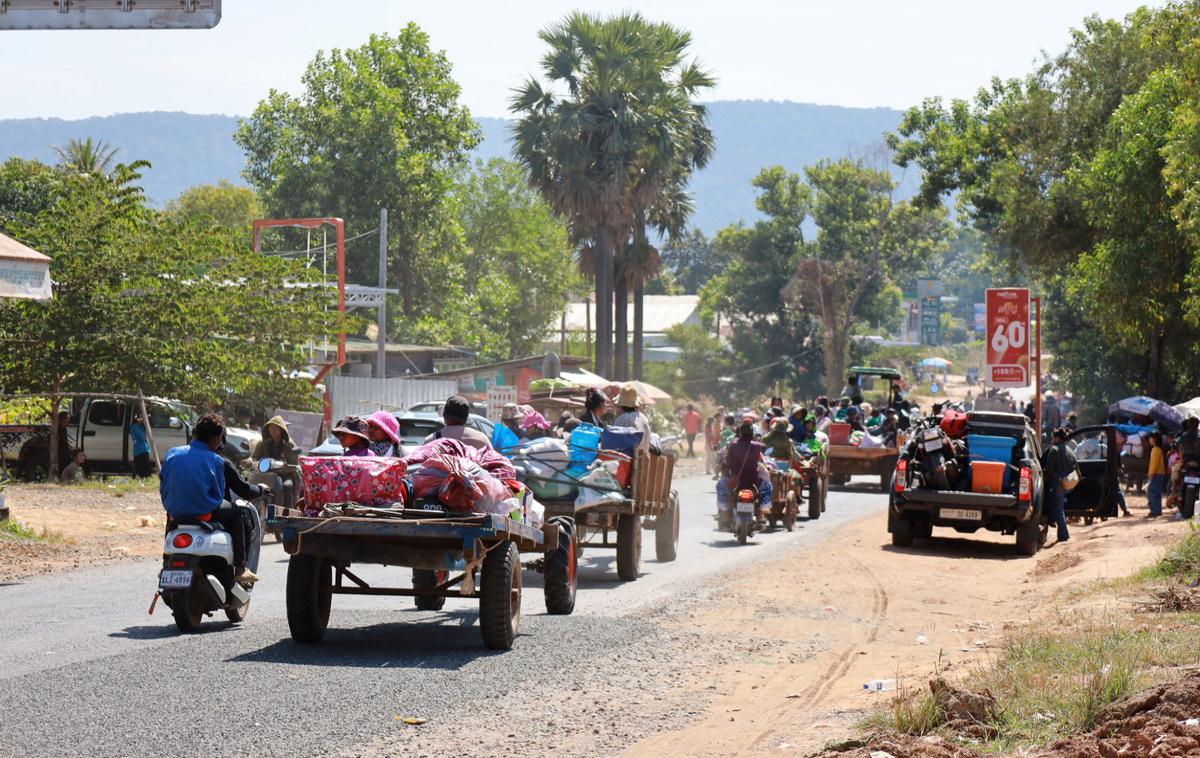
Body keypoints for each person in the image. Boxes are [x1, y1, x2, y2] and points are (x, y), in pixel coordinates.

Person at [160, 414, 268, 585]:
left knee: (170, 518)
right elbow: (218, 494)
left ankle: (166, 561)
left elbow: (164, 481)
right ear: (217, 438)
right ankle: (240, 569)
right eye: (220, 438)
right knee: (237, 514)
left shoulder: (172, 453)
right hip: (204, 511)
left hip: (175, 510)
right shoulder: (217, 460)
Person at [1042, 427, 1077, 541]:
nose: (1052, 440)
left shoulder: (1055, 449)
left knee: (1058, 508)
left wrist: (1042, 479)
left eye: (1053, 437)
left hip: (1057, 483)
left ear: (1057, 438)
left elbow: (1049, 469)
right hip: (1068, 484)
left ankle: (1064, 535)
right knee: (1057, 505)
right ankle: (1056, 526)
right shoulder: (1069, 450)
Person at [426, 395, 492, 450]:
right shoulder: (480, 438)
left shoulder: (431, 440)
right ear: (466, 419)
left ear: (444, 416)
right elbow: (493, 461)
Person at [612, 384, 653, 451]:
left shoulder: (621, 419)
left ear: (620, 405)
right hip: (642, 457)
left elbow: (614, 443)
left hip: (626, 459)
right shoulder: (643, 418)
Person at [1146, 432, 1166, 518]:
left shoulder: (1155, 450)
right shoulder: (1158, 449)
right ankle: (1157, 510)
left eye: (1150, 438)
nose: (1149, 440)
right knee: (1156, 492)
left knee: (1152, 492)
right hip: (1159, 473)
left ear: (1154, 439)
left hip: (1156, 474)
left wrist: (1150, 474)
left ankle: (1154, 510)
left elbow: (1154, 463)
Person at [130, 414, 153, 478]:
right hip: (140, 450)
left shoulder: (139, 427)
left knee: (144, 467)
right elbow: (142, 437)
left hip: (143, 449)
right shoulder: (135, 427)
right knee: (142, 468)